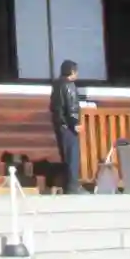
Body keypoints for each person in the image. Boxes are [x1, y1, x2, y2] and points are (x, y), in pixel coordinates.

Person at [50, 59, 83, 194]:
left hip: (59, 125)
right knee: (73, 156)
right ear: (72, 71)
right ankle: (73, 186)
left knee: (65, 156)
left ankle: (67, 184)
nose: (77, 74)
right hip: (69, 126)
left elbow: (54, 107)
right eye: (76, 71)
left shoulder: (56, 85)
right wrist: (75, 123)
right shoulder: (69, 86)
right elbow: (72, 107)